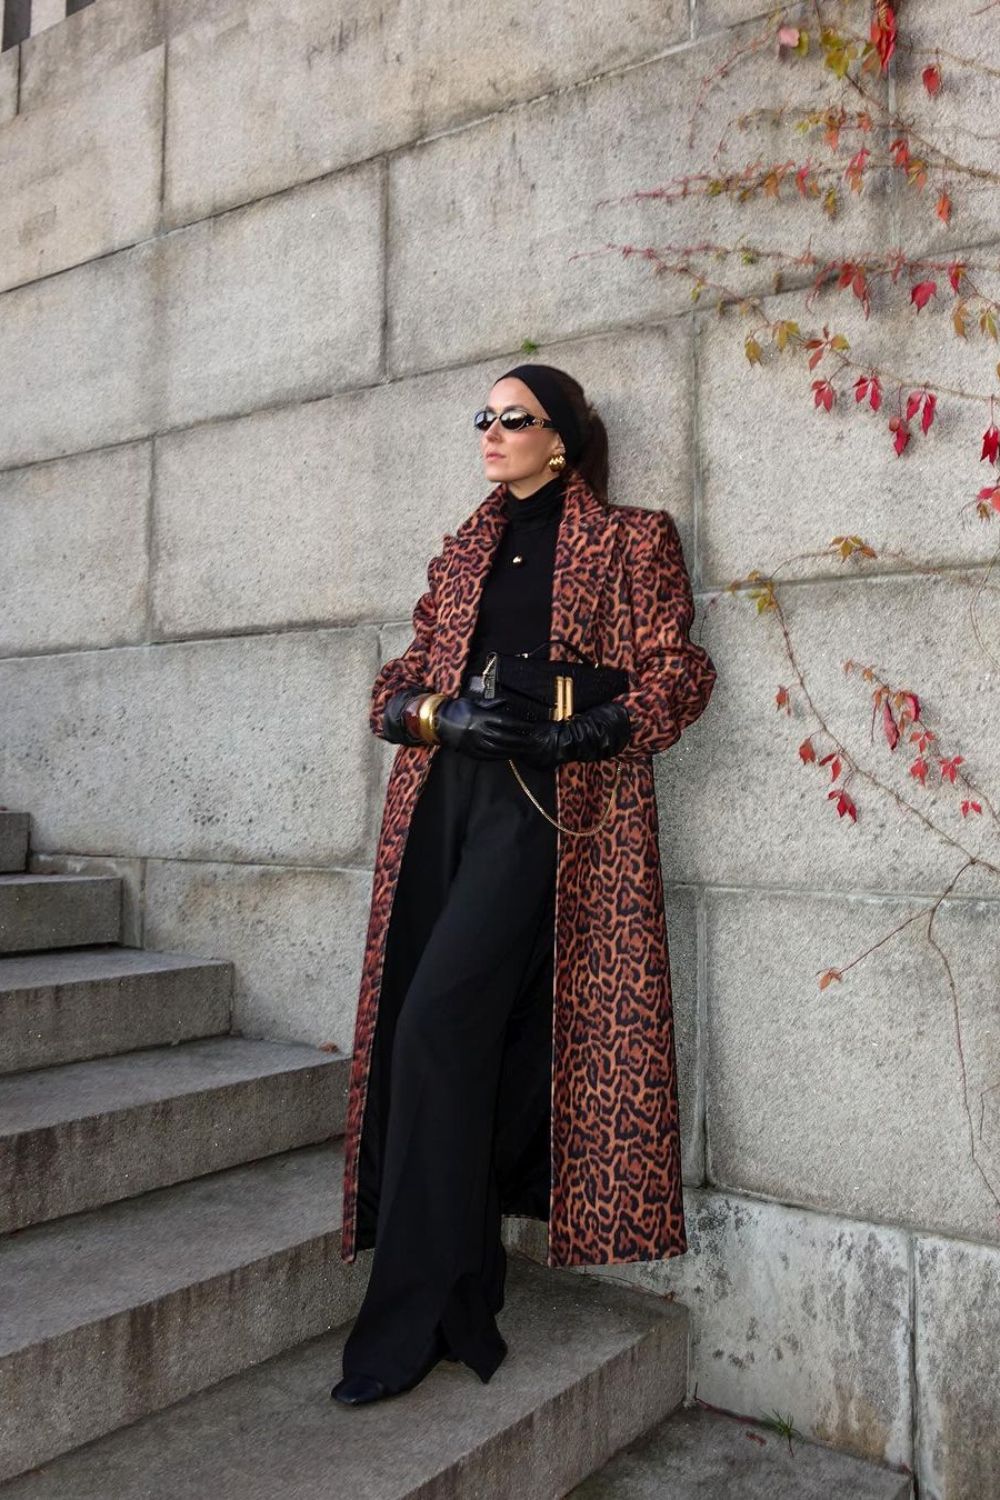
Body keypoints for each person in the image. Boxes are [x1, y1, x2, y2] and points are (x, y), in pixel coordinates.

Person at [331, 363, 715, 1406]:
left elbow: (677, 674)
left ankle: (409, 1316)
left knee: (436, 1029)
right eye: (483, 418)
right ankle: (462, 1291)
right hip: (438, 806)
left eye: (515, 419)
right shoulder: (461, 549)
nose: (492, 433)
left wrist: (578, 732)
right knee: (440, 1037)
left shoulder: (633, 538)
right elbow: (389, 688)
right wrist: (439, 716)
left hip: (543, 811)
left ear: (561, 439)